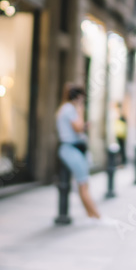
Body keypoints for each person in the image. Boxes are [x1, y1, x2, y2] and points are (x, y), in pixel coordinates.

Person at [56, 84, 110, 224]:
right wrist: (80, 111)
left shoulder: (64, 108)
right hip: (71, 149)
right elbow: (79, 128)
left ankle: (91, 215)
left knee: (83, 184)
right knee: (83, 184)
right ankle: (98, 217)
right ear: (78, 98)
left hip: (71, 149)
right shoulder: (69, 109)